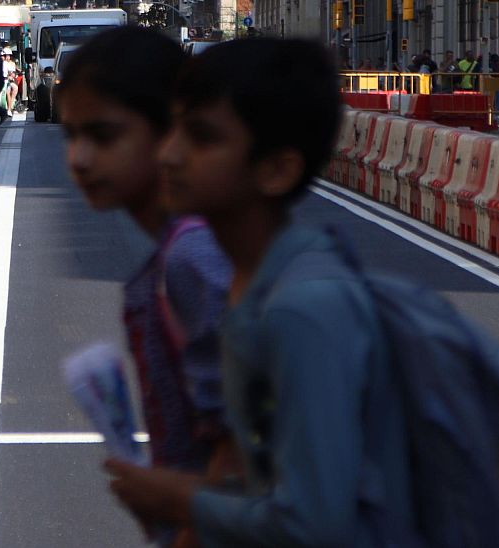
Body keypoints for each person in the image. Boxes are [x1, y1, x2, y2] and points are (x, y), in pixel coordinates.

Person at [105, 38, 417, 545]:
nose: (169, 154)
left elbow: (317, 523)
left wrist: (184, 501)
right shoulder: (246, 281)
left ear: (276, 169)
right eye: (174, 127)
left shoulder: (301, 311)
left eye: (202, 137)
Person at [58, 27, 233, 546]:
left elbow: (251, 441)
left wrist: (182, 522)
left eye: (104, 136)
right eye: (71, 136)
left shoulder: (194, 258)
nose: (79, 159)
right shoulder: (181, 253)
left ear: (170, 132)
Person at [1, 47, 21, 114]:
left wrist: (12, 76)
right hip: (1, 80)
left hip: (8, 81)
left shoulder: (12, 63)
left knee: (13, 89)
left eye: (8, 56)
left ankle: (10, 107)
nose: (7, 57)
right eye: (5, 56)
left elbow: (13, 72)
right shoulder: (1, 63)